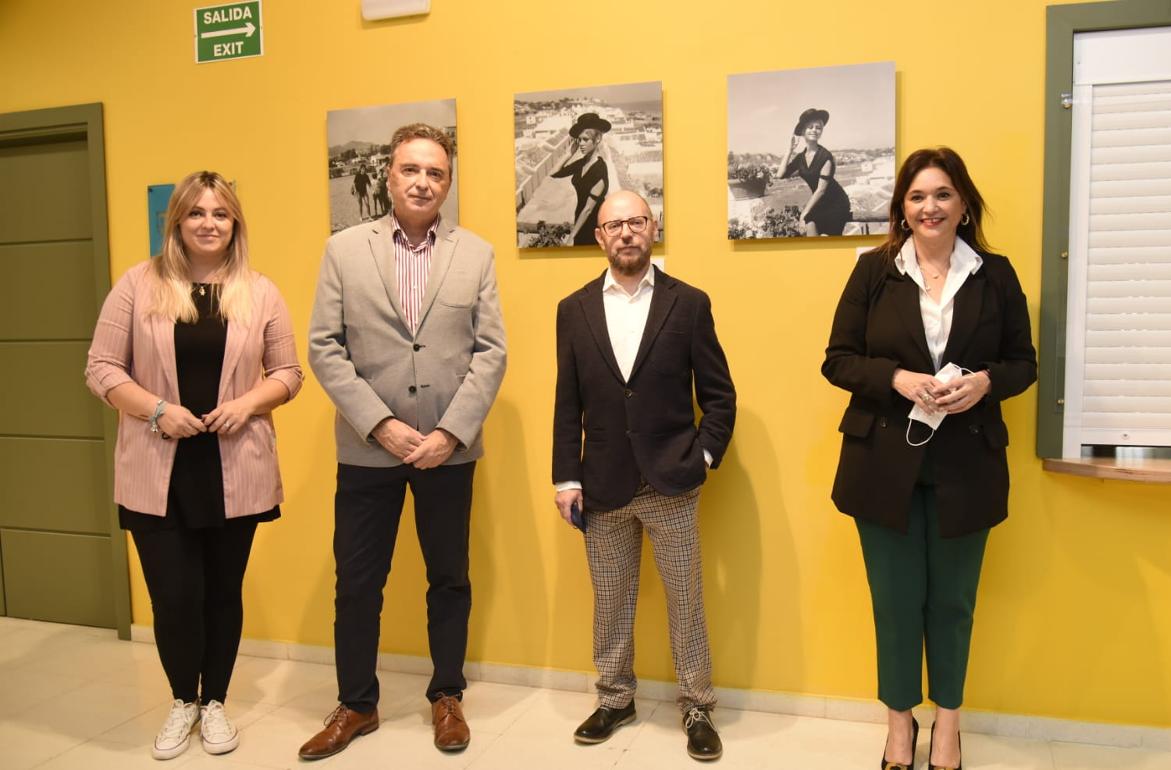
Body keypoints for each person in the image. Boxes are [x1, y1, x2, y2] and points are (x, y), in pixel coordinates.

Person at [821, 147, 1036, 770]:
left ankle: (948, 726)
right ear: (902, 208)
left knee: (952, 603)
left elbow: (1024, 362)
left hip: (967, 465)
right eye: (917, 196)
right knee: (893, 601)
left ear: (963, 204)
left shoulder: (995, 274)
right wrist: (897, 379)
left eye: (942, 194)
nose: (929, 206)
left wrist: (985, 384)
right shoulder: (872, 271)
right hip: (882, 464)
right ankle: (897, 726)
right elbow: (837, 358)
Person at [300, 123, 506, 760]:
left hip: (449, 451)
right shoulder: (343, 250)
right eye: (410, 170)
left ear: (448, 182)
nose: (422, 181)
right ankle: (357, 703)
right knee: (358, 582)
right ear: (388, 175)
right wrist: (380, 423)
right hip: (368, 451)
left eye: (435, 173)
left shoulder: (476, 254)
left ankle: (447, 696)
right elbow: (324, 348)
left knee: (450, 578)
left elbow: (491, 352)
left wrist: (450, 432)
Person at [85, 170, 303, 760]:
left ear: (236, 224)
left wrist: (247, 404)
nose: (209, 224)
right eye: (197, 214)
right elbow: (102, 368)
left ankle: (216, 705)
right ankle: (183, 699)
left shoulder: (260, 292)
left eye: (221, 214)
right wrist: (157, 411)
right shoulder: (137, 286)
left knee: (221, 594)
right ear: (176, 222)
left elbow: (289, 373)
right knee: (174, 597)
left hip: (237, 467)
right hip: (157, 469)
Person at [553, 190, 736, 761]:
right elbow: (567, 402)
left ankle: (697, 705)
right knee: (610, 599)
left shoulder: (689, 303)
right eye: (614, 225)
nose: (626, 233)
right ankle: (615, 698)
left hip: (672, 481)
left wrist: (702, 457)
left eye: (636, 222)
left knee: (686, 598)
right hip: (601, 482)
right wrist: (566, 478)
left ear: (653, 227)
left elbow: (719, 395)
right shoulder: (573, 308)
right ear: (599, 237)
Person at [777, 107, 853, 236]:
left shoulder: (825, 156)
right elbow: (780, 175)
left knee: (825, 238)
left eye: (818, 128)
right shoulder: (800, 158)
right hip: (819, 203)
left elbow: (821, 190)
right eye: (810, 127)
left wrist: (804, 213)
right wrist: (789, 150)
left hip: (836, 203)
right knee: (811, 231)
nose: (814, 130)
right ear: (802, 131)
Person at [551, 112, 611, 246]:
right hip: (580, 221)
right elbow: (554, 173)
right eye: (579, 140)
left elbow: (588, 209)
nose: (581, 144)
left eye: (585, 139)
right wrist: (568, 154)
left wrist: (571, 236)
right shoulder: (581, 163)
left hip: (595, 225)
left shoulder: (600, 169)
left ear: (597, 139)